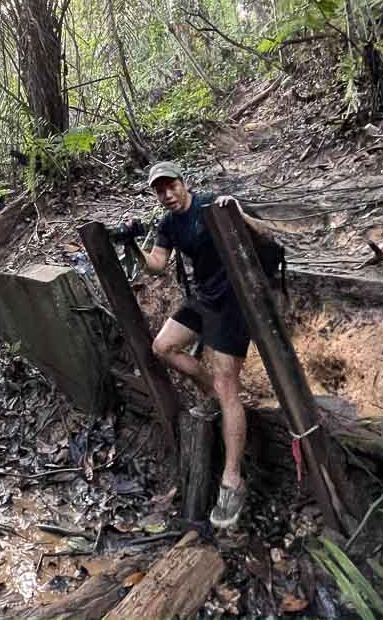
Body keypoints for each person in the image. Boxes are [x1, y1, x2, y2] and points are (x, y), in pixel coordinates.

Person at [131, 160, 261, 530]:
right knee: (162, 347)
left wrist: (236, 212)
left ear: (183, 183)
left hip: (233, 302)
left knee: (228, 384)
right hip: (202, 300)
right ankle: (214, 393)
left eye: (171, 186)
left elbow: (261, 233)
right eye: (159, 190)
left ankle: (232, 479)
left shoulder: (211, 205)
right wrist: (133, 248)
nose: (167, 195)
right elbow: (157, 263)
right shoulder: (169, 223)